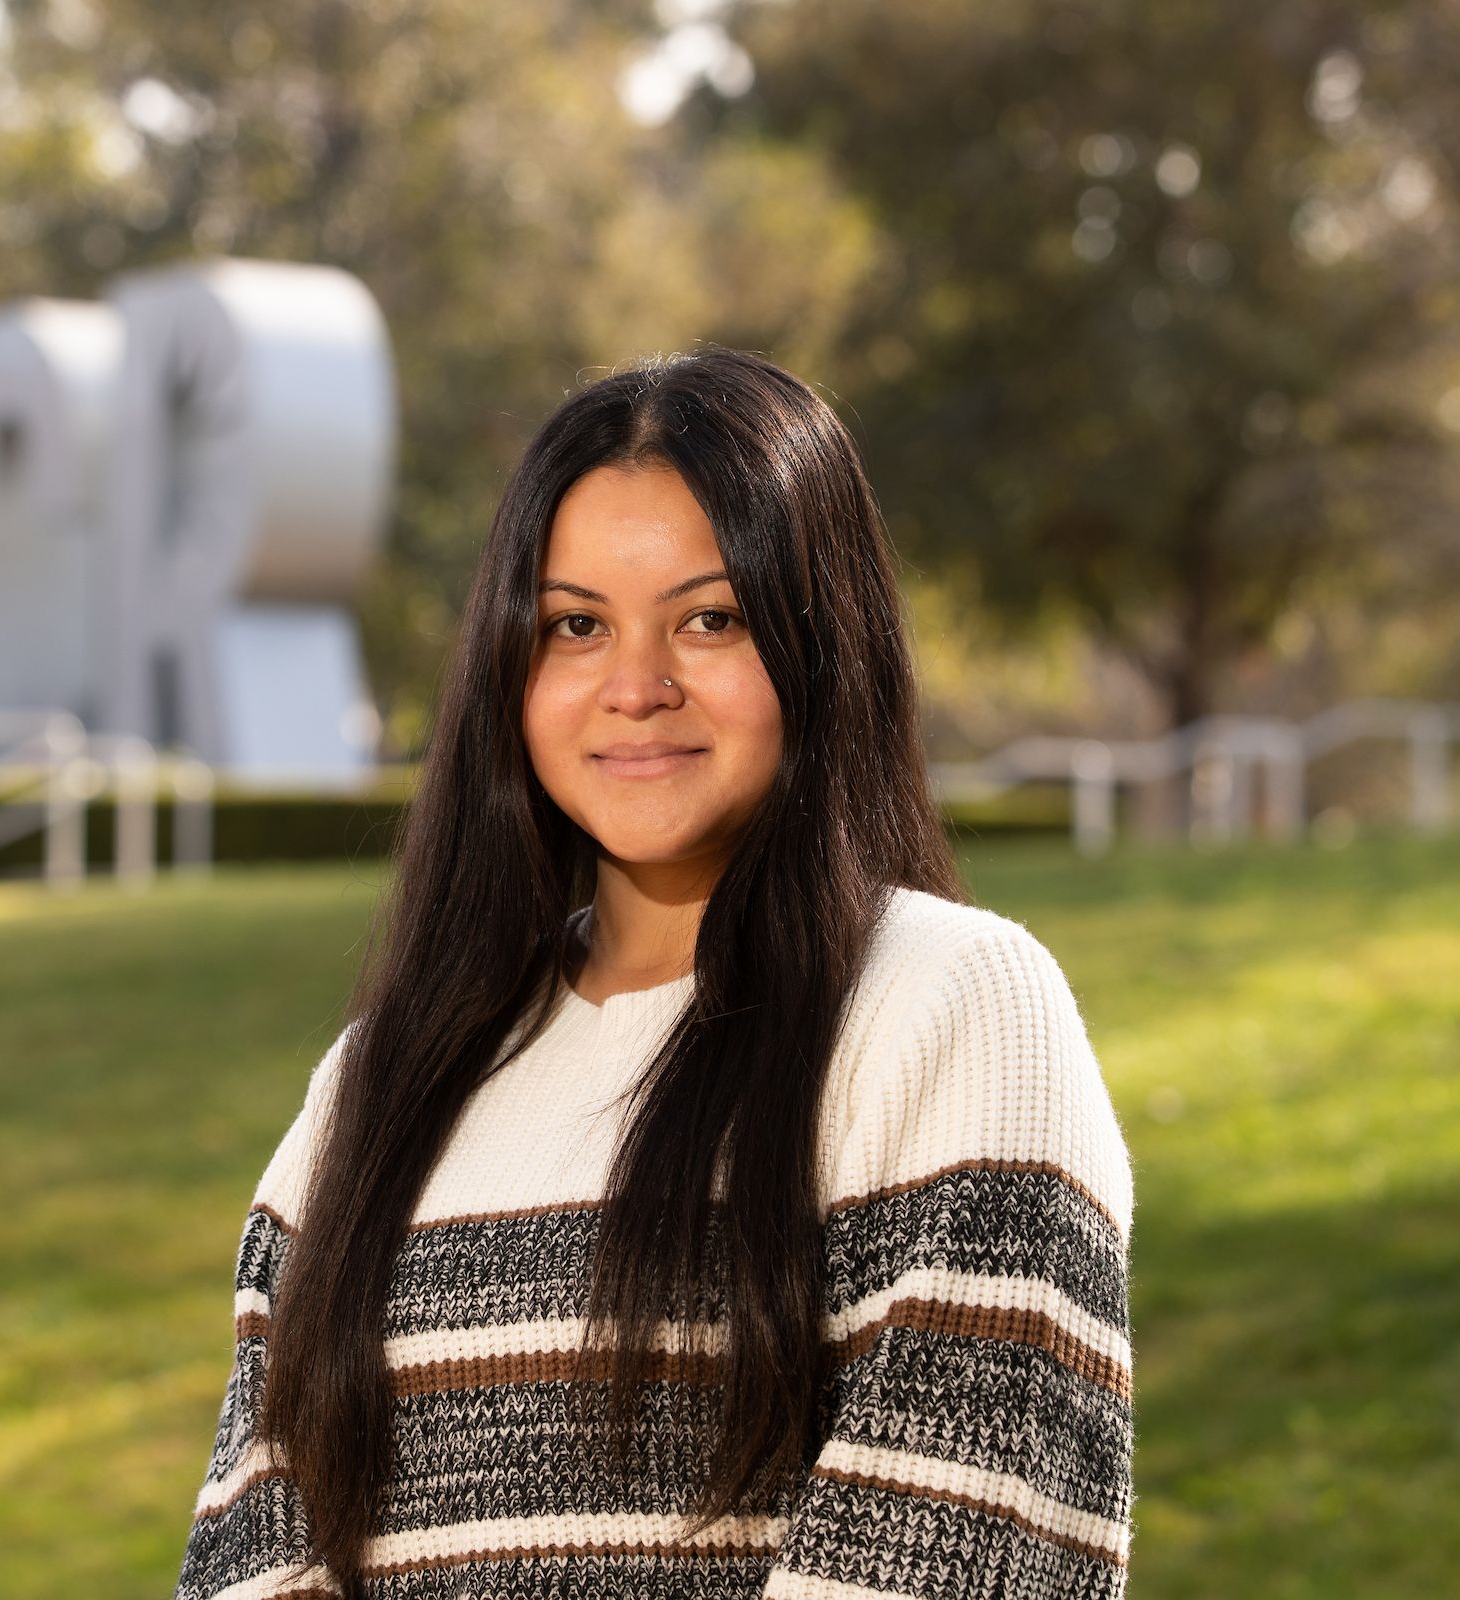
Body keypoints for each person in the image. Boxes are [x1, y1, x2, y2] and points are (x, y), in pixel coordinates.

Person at [175, 347, 1135, 1600]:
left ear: (821, 640)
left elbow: (959, 1560)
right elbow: (250, 1564)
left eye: (711, 619)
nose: (636, 688)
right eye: (576, 626)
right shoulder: (377, 1082)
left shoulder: (950, 1005)